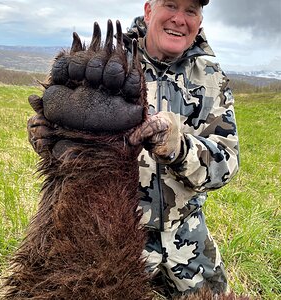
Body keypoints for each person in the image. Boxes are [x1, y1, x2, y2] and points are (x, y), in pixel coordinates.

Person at [28, 0, 239, 298]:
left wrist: (179, 147)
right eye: (171, 5)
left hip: (184, 230)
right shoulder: (109, 66)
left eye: (191, 10)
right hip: (113, 223)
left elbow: (226, 163)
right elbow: (56, 130)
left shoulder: (211, 76)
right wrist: (49, 134)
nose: (180, 19)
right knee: (83, 283)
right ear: (149, 10)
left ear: (200, 20)